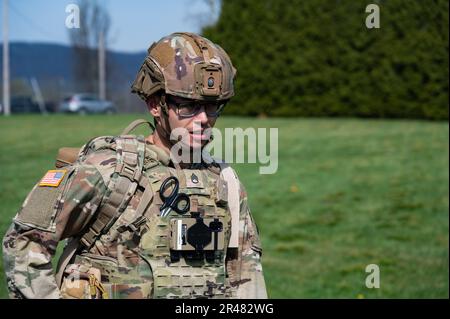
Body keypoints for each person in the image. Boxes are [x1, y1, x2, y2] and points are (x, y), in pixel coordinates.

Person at [2, 32, 267, 299]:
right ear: (155, 104)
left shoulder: (225, 183)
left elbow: (246, 277)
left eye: (213, 107)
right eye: (189, 106)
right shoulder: (109, 170)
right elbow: (23, 243)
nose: (203, 119)